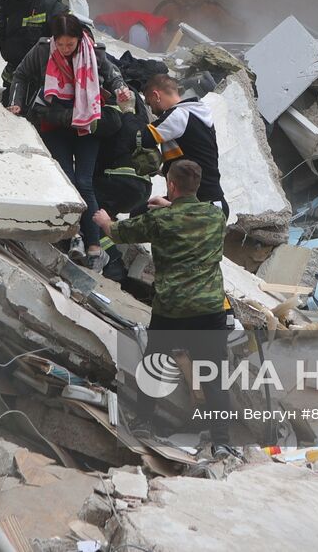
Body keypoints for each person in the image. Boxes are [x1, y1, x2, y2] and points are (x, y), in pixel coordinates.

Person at [92, 160, 236, 460]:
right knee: (213, 376)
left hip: (172, 310)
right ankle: (222, 441)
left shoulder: (160, 221)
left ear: (171, 185)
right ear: (196, 185)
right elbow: (185, 215)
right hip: (210, 309)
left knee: (155, 366)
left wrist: (104, 218)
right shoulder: (215, 215)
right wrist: (170, 206)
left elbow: (118, 231)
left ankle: (142, 423)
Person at [8, 14, 130, 267]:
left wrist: (121, 89)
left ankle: (94, 244)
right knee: (67, 177)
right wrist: (17, 103)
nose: (64, 50)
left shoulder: (93, 53)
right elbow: (20, 75)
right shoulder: (43, 51)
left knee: (84, 182)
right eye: (61, 44)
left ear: (79, 39)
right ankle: (74, 235)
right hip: (54, 121)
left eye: (70, 45)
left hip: (86, 122)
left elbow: (113, 75)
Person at [140, 74, 225, 213]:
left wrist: (128, 111)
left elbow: (141, 138)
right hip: (213, 201)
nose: (152, 110)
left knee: (140, 218)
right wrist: (161, 169)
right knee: (143, 212)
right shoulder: (198, 112)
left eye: (150, 103)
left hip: (200, 205)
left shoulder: (178, 115)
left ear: (156, 95)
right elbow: (191, 154)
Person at [153, 0, 243, 47]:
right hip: (172, 59)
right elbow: (151, 34)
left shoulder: (212, 8)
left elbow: (237, 27)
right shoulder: (167, 7)